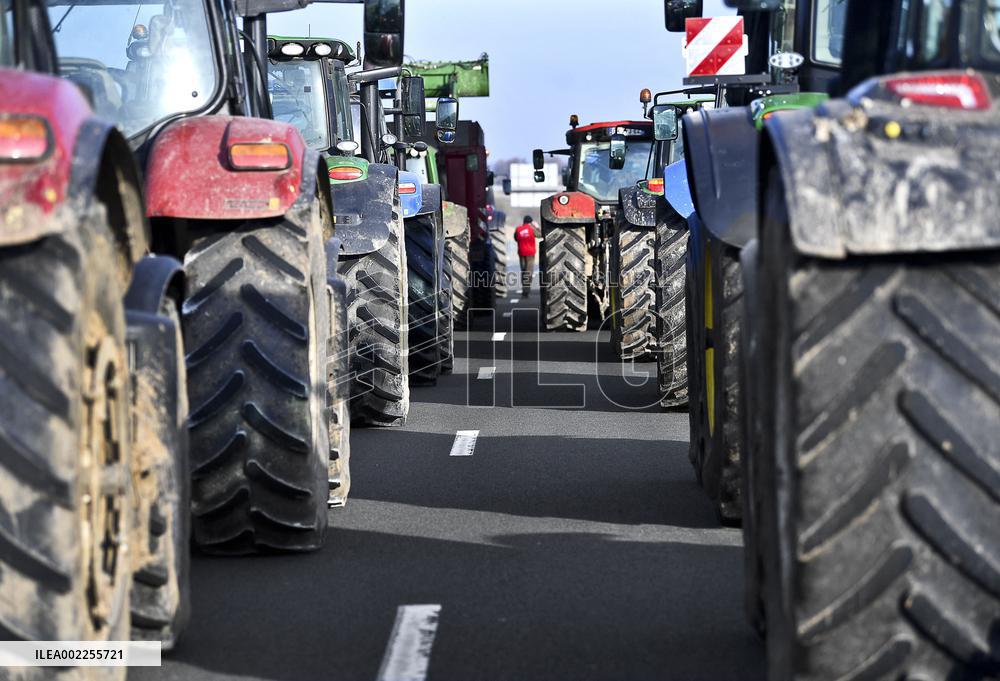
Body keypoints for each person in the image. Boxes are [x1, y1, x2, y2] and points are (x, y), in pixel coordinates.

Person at [514, 216, 538, 297]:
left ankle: (524, 288)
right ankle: (526, 291)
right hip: (530, 254)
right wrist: (536, 227)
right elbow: (542, 235)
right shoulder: (532, 229)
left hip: (521, 253)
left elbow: (516, 238)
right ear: (530, 222)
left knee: (524, 271)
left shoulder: (518, 229)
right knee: (528, 272)